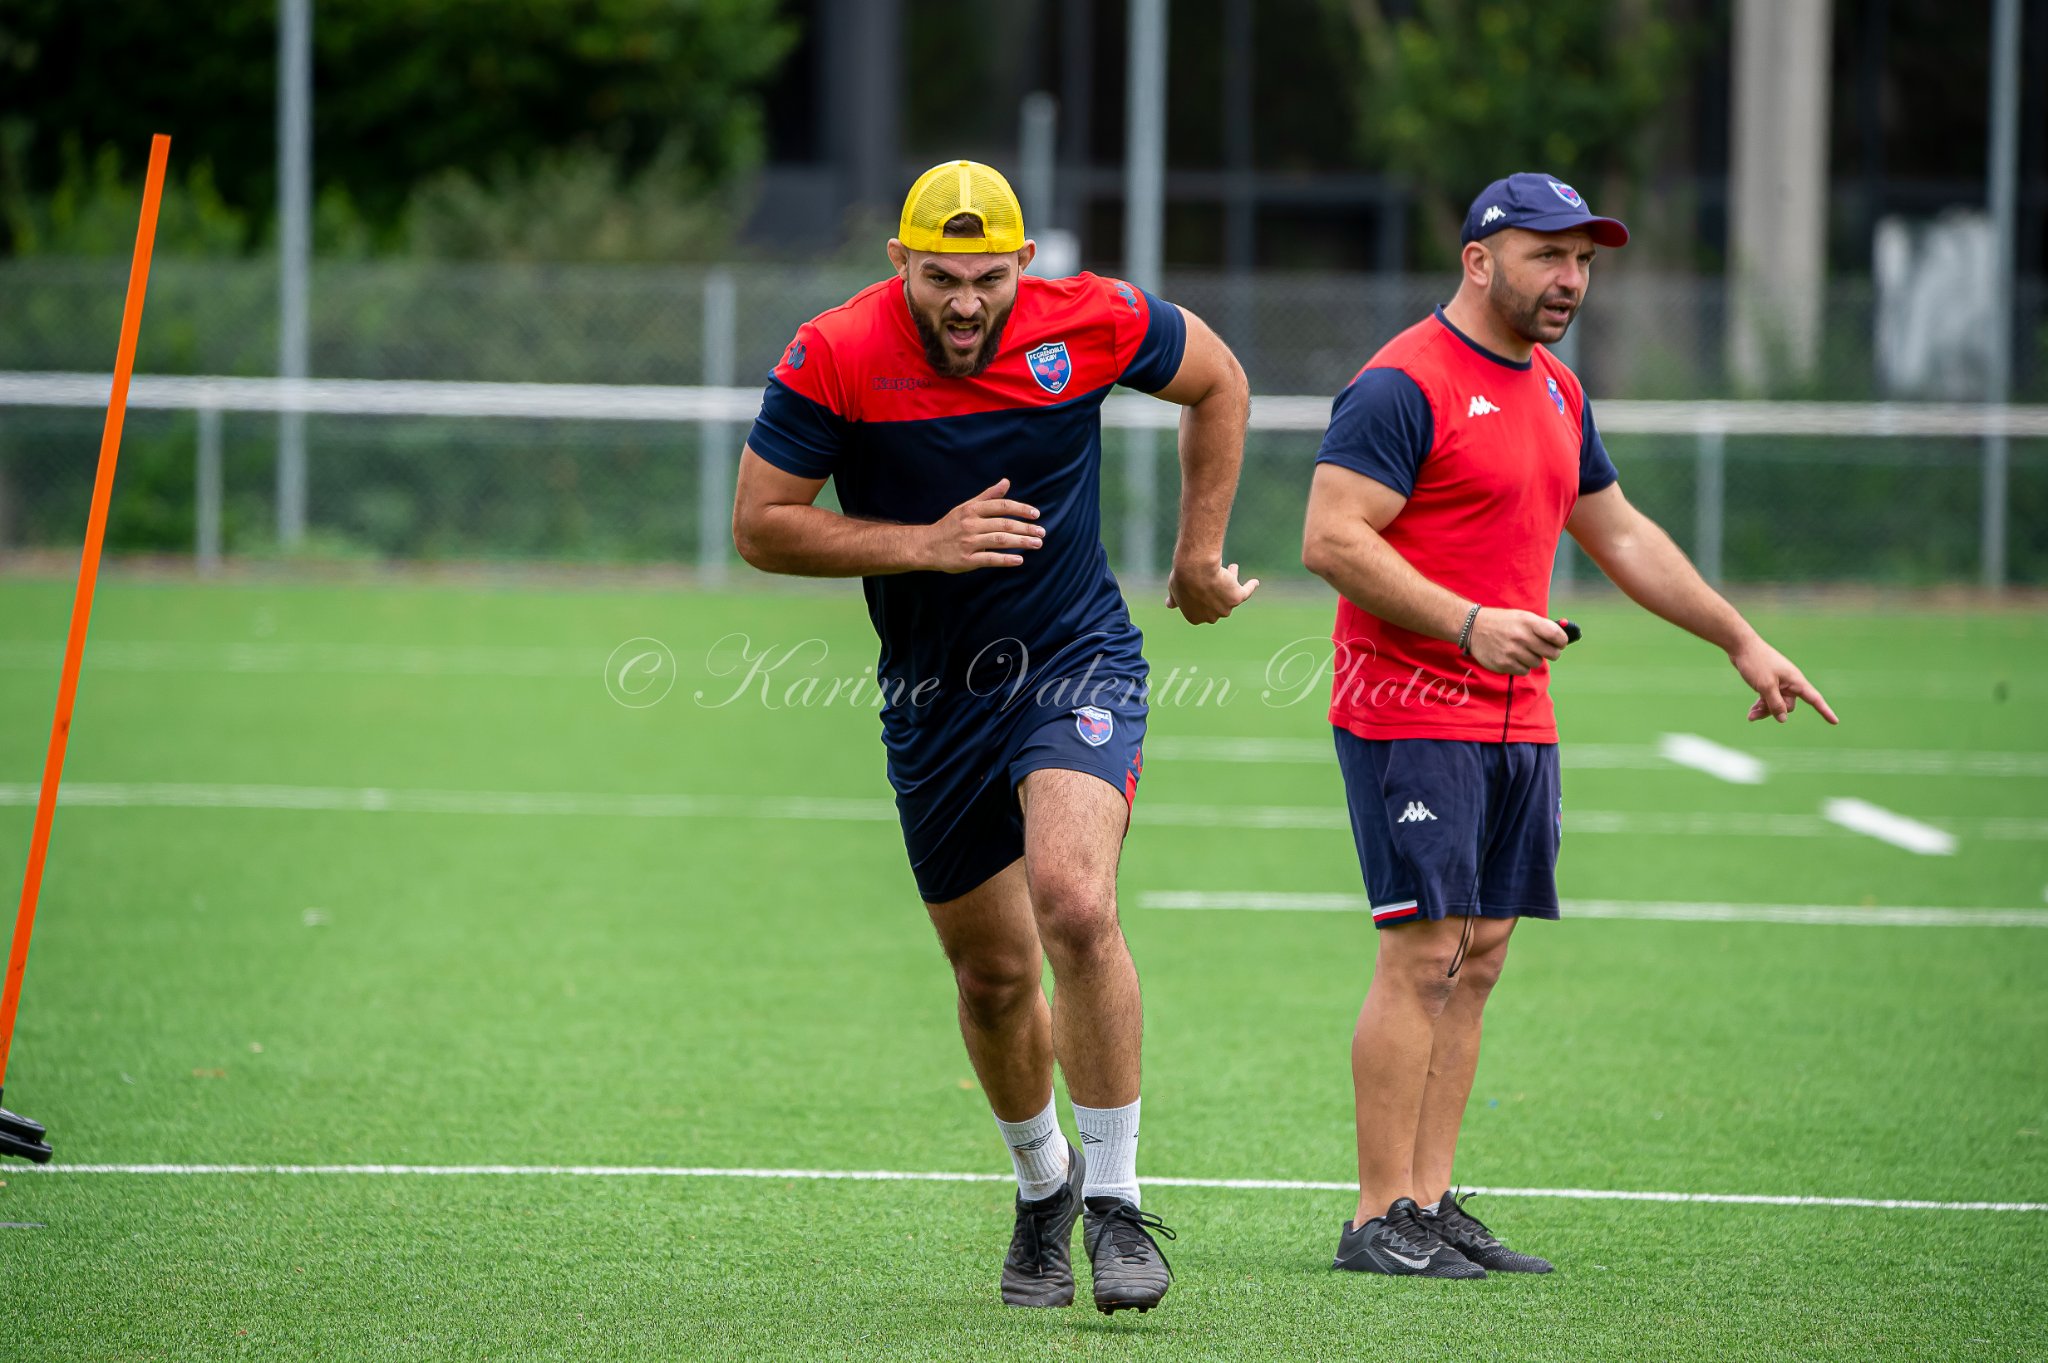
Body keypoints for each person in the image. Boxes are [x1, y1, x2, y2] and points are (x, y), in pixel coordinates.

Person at [732, 160, 1257, 1313]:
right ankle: (1043, 1191)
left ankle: (1117, 1207)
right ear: (898, 268)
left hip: (1076, 660)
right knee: (990, 975)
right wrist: (922, 544)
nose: (964, 304)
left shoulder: (1097, 318)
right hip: (932, 698)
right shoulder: (833, 353)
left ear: (1025, 265)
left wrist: (1195, 556)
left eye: (985, 279)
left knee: (1074, 900)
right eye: (938, 280)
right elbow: (761, 526)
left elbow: (1218, 381)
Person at [1301, 172, 1838, 1279]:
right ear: (1477, 259)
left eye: (1583, 260)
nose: (1570, 279)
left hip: (1518, 716)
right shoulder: (1400, 383)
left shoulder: (1554, 388)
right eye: (1548, 255)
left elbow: (1620, 534)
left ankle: (1430, 1196)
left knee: (1480, 954)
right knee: (1419, 952)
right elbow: (1332, 538)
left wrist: (1738, 638)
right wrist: (1463, 623)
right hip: (1410, 708)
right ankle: (1372, 1216)